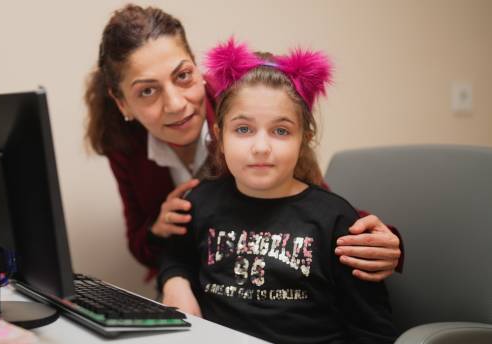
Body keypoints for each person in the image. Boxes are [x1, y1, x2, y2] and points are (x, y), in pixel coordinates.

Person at [84, 4, 402, 282]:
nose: (176, 104)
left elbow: (313, 205)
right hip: (191, 278)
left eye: (182, 76)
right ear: (122, 102)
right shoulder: (123, 144)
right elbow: (141, 246)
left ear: (197, 68)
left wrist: (384, 242)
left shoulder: (241, 110)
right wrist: (158, 229)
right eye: (147, 91)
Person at [158, 39, 397, 343]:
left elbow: (373, 330)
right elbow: (176, 256)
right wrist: (175, 281)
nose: (260, 148)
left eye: (280, 131)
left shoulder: (335, 221)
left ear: (304, 137)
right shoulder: (200, 202)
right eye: (243, 129)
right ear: (219, 134)